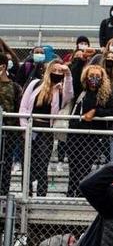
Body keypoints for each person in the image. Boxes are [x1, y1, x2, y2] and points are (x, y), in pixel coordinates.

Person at [18, 60, 73, 196]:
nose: (57, 73)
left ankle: (42, 194)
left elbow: (69, 94)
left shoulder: (60, 90)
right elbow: (24, 106)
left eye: (60, 71)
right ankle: (26, 192)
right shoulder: (35, 84)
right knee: (27, 162)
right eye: (54, 70)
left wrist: (67, 74)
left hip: (46, 131)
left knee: (43, 163)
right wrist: (24, 127)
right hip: (29, 127)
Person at [66, 64, 113, 197]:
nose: (94, 79)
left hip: (92, 137)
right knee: (73, 166)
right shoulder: (81, 91)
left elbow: (111, 110)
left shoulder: (105, 95)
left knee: (85, 166)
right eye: (91, 76)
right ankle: (71, 193)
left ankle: (81, 193)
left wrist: (95, 112)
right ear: (86, 77)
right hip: (75, 134)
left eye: (97, 76)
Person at [0, 54, 23, 196]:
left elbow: (18, 109)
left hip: (8, 133)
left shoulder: (14, 87)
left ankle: (3, 192)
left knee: (5, 163)